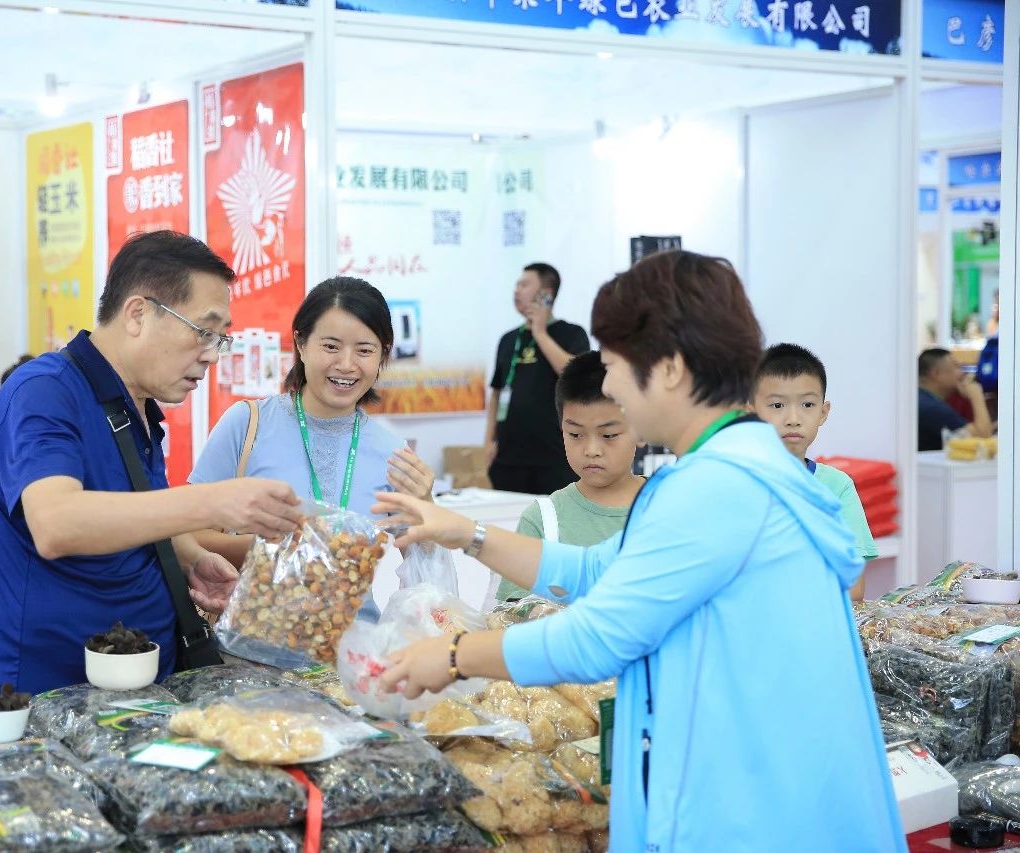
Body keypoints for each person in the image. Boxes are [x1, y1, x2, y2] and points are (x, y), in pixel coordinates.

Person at [375, 250, 904, 853]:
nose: (608, 384)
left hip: (751, 809)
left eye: (615, 364)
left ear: (670, 368)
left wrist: (452, 656)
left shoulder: (720, 488)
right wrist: (466, 533)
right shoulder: (730, 466)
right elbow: (597, 569)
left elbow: (597, 638)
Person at [0, 231, 302, 694]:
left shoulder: (135, 406)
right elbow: (56, 523)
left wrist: (189, 557)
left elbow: (132, 510)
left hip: (138, 687)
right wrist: (212, 503)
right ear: (138, 314)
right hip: (46, 693)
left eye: (220, 338)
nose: (211, 355)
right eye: (203, 331)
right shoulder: (42, 392)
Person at [189, 276, 435, 571]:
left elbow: (426, 565)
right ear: (301, 344)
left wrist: (426, 506)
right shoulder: (247, 424)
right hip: (253, 601)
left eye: (364, 350)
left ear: (383, 354)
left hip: (357, 605)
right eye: (331, 346)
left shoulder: (394, 454)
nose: (346, 365)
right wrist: (267, 548)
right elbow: (186, 534)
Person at [495, 351, 643, 602]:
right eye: (575, 434)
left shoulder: (668, 504)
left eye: (608, 435)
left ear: (642, 429)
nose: (591, 450)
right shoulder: (543, 519)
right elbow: (510, 614)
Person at [752, 343, 876, 601]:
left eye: (807, 404)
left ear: (823, 412)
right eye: (777, 405)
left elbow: (853, 588)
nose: (793, 419)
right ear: (751, 411)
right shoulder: (736, 482)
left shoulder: (837, 486)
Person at [485, 262, 591, 495]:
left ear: (546, 295)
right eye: (516, 285)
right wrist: (488, 442)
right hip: (508, 460)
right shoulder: (508, 339)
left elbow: (575, 375)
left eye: (524, 285)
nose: (516, 291)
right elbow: (496, 394)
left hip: (555, 458)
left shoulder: (571, 333)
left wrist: (540, 333)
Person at [918, 347, 992, 451]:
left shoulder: (920, 398)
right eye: (957, 366)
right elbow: (983, 437)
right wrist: (976, 395)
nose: (963, 372)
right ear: (936, 374)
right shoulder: (932, 408)